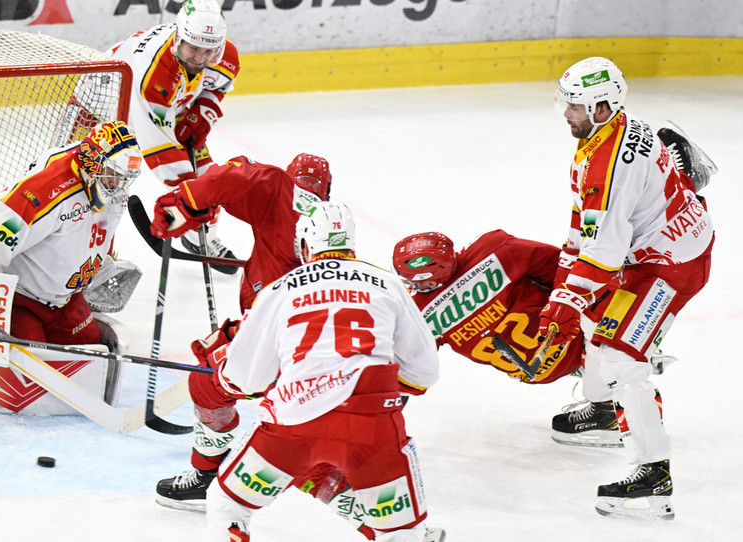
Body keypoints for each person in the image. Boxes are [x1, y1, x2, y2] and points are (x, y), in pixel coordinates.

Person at [202, 200, 442, 542]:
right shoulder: (388, 285)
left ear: (304, 245)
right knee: (403, 535)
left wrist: (223, 375)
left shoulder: (280, 289)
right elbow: (424, 371)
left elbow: (244, 379)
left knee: (228, 503)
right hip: (373, 429)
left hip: (292, 429)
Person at [541, 56, 715, 520]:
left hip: (671, 264)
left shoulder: (609, 165)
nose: (565, 113)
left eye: (574, 106)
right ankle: (602, 412)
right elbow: (585, 227)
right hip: (656, 249)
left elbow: (604, 254)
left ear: (602, 107)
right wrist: (565, 290)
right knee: (588, 313)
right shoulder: (611, 131)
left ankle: (653, 475)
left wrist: (562, 299)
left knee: (620, 354)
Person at [147, 152, 334, 505]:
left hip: (280, 340)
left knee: (207, 382)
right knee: (307, 439)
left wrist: (187, 204)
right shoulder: (334, 227)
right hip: (327, 352)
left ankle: (206, 477)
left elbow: (233, 177)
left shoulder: (282, 195)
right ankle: (393, 525)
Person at [0, 120, 143, 345]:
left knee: (93, 346)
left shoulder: (108, 181)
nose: (119, 184)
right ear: (93, 163)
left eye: (125, 177)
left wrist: (99, 268)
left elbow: (98, 229)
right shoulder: (47, 190)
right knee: (33, 361)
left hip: (63, 301)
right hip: (19, 299)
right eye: (114, 174)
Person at [107, 0, 240, 273]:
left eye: (209, 51)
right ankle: (88, 263)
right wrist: (189, 197)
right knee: (96, 193)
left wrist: (205, 109)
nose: (201, 58)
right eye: (194, 49)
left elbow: (219, 84)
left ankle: (200, 239)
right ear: (178, 37)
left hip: (163, 108)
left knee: (208, 178)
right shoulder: (154, 72)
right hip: (100, 111)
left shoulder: (222, 54)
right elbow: (157, 146)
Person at [392, 229, 586, 384]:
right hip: (578, 334)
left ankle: (597, 386)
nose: (411, 286)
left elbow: (413, 366)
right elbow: (562, 267)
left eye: (414, 281)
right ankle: (599, 386)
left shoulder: (419, 312)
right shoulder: (493, 248)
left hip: (538, 373)